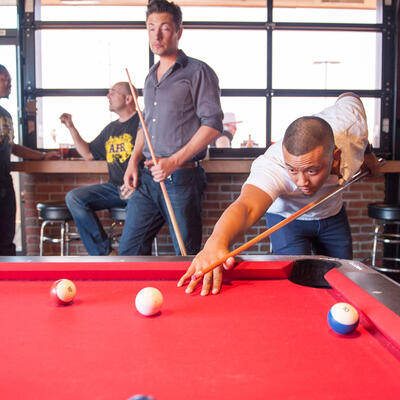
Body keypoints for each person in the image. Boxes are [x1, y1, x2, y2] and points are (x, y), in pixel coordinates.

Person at [178, 92, 379, 295]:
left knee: (342, 282)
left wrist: (368, 152)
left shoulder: (350, 127)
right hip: (287, 220)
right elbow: (246, 207)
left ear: (334, 158)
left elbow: (350, 97)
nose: (302, 182)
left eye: (312, 170)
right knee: (297, 286)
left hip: (332, 215)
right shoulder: (273, 165)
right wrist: (216, 241)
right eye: (293, 170)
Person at [122, 0, 223, 256]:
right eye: (150, 27)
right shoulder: (150, 76)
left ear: (178, 31)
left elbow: (212, 126)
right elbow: (146, 124)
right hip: (147, 180)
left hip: (181, 179)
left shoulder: (198, 72)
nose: (156, 35)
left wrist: (173, 162)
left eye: (164, 28)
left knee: (185, 255)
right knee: (129, 253)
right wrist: (133, 161)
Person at [62, 82, 139, 255]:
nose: (108, 96)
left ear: (128, 98)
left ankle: (130, 262)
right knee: (74, 198)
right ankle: (104, 254)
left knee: (132, 243)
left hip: (140, 190)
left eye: (113, 92)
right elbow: (88, 154)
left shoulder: (142, 123)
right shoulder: (111, 129)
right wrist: (71, 127)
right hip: (115, 188)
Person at [0, 64, 59, 255]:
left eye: (9, 79)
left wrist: (42, 156)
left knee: (6, 236)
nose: (8, 83)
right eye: (3, 79)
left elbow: (13, 147)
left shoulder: (6, 116)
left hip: (4, 183)